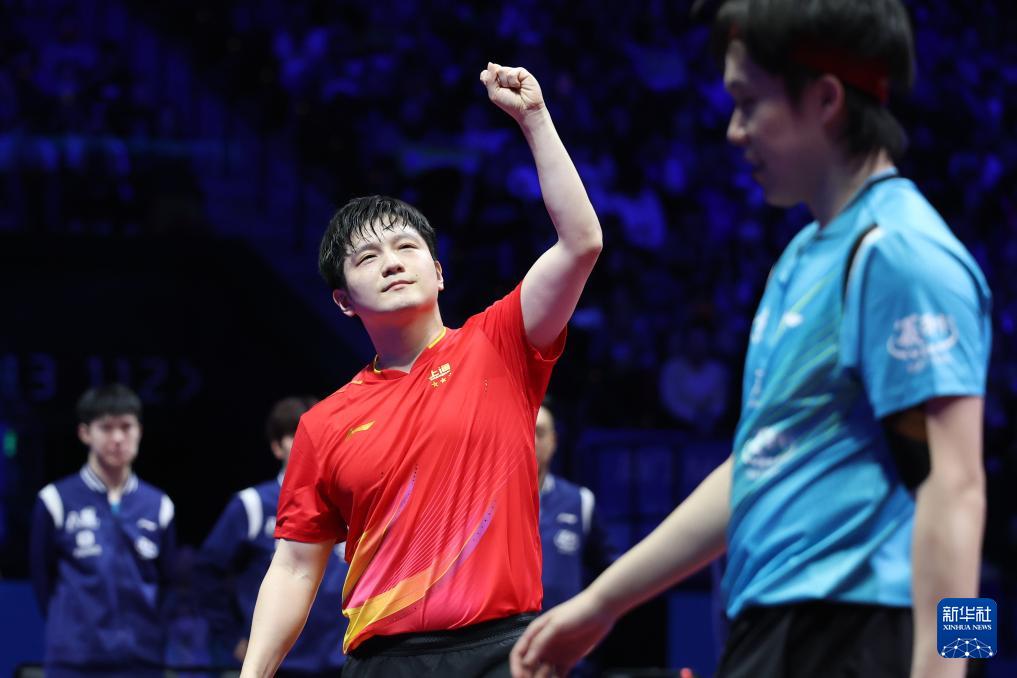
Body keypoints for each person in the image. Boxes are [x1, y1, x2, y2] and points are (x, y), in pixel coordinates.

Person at [510, 2, 992, 677]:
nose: (733, 131)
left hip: (860, 629)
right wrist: (600, 603)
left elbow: (957, 487)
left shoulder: (902, 253)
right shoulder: (800, 260)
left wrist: (954, 668)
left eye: (748, 103)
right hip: (771, 627)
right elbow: (756, 464)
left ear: (825, 99)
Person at [239, 61, 602, 678]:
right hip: (385, 662)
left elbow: (581, 243)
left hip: (501, 653)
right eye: (367, 257)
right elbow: (297, 566)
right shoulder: (324, 425)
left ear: (437, 272)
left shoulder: (501, 346)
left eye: (407, 247)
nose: (391, 262)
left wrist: (535, 119)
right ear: (343, 301)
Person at [29, 383, 177, 678]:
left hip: (141, 660)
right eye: (106, 428)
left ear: (140, 431)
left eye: (126, 427)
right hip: (73, 661)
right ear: (85, 433)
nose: (118, 438)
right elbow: (42, 579)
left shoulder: (159, 505)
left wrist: (149, 632)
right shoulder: (55, 500)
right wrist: (71, 631)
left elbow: (168, 583)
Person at [196, 396, 349, 677]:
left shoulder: (350, 501)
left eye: (320, 433)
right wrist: (233, 638)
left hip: (340, 662)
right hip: (276, 666)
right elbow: (207, 574)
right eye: (297, 434)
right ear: (277, 446)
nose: (312, 442)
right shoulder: (251, 505)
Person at [535, 400, 619, 613]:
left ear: (553, 441)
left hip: (563, 630)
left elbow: (608, 568)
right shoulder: (489, 503)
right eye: (526, 432)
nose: (532, 441)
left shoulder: (580, 501)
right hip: (507, 630)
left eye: (540, 433)